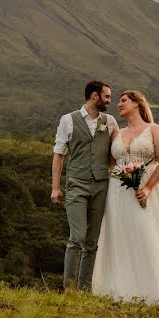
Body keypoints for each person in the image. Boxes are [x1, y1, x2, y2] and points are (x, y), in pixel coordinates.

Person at [92, 90, 159, 306]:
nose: (119, 104)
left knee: (147, 233)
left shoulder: (154, 130)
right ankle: (123, 289)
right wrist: (119, 176)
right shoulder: (117, 133)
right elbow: (111, 163)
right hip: (118, 190)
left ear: (137, 104)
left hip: (147, 189)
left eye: (124, 101)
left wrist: (149, 187)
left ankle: (157, 289)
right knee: (121, 234)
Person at [51, 80, 119, 292]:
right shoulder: (68, 120)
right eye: (107, 96)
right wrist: (55, 187)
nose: (110, 100)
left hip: (101, 186)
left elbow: (116, 152)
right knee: (77, 237)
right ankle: (69, 288)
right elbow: (59, 154)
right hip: (76, 185)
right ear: (95, 96)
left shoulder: (110, 122)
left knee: (92, 241)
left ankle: (84, 289)